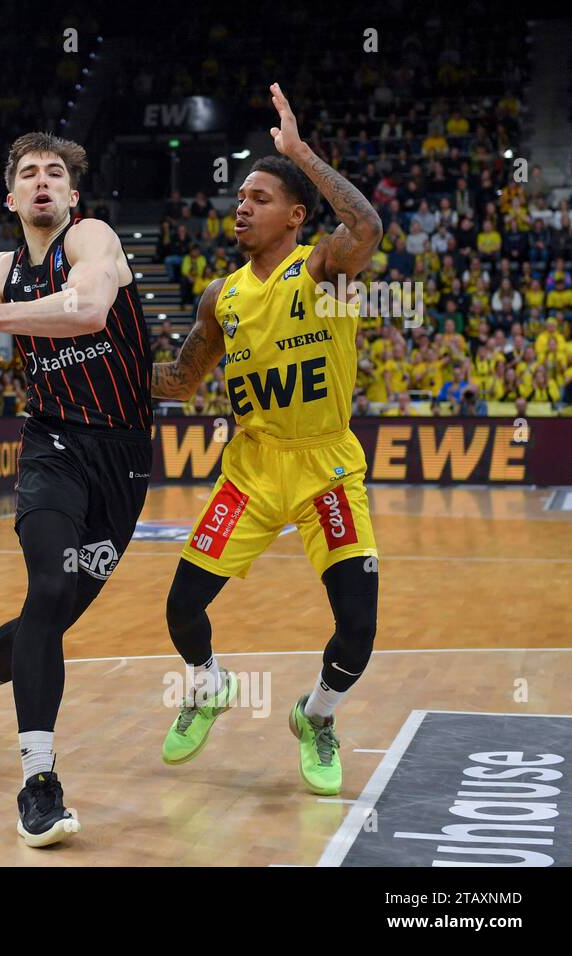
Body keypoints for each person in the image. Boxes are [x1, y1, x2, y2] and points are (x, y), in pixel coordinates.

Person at [0, 131, 152, 847]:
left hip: (125, 458)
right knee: (46, 590)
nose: (42, 182)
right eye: (28, 174)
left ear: (73, 195)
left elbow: (88, 311)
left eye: (55, 174)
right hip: (52, 447)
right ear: (10, 197)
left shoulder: (94, 239)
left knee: (51, 620)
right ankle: (39, 782)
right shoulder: (1, 268)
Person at [150, 85, 382, 797]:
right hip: (251, 471)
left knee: (359, 628)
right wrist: (100, 357)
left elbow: (368, 225)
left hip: (325, 469)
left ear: (296, 214)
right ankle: (208, 685)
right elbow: (181, 382)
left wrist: (299, 152)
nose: (241, 205)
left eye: (259, 196)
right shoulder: (219, 296)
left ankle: (316, 716)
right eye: (240, 196)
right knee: (182, 608)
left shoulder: (324, 265)